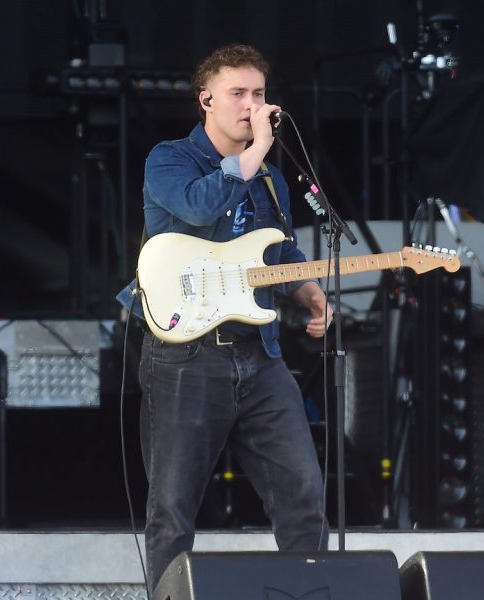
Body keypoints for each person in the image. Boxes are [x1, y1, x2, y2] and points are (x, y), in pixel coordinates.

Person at [116, 43, 332, 590]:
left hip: (260, 354)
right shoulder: (169, 159)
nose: (251, 105)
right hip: (184, 357)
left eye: (259, 94)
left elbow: (278, 255)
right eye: (238, 94)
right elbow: (195, 208)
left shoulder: (272, 181)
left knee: (303, 495)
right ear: (206, 100)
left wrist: (308, 290)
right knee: (173, 507)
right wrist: (256, 149)